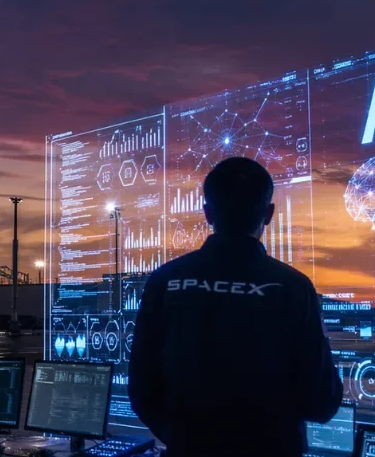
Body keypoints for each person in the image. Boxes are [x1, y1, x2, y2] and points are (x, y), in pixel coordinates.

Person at [128, 157, 343, 456]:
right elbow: (321, 401)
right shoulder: (292, 286)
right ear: (268, 214)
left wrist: (181, 436)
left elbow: (141, 389)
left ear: (207, 213)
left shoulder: (165, 280)